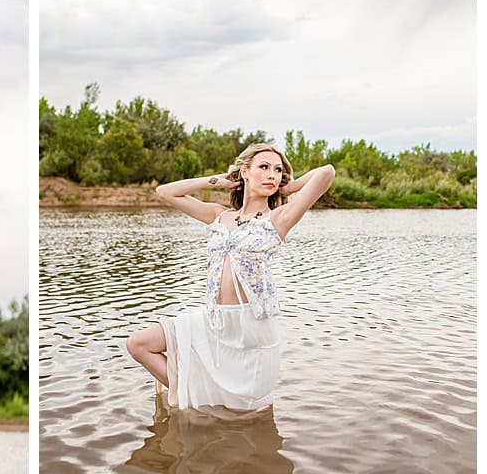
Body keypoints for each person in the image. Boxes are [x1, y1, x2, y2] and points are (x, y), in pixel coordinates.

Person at [126, 144, 336, 411]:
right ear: (245, 172)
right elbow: (165, 191)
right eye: (264, 167)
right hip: (214, 319)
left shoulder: (278, 219)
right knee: (139, 344)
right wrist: (218, 181)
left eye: (278, 170)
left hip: (251, 326)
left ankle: (203, 413)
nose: (272, 174)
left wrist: (289, 188)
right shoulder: (219, 215)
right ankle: (192, 394)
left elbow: (326, 173)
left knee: (241, 408)